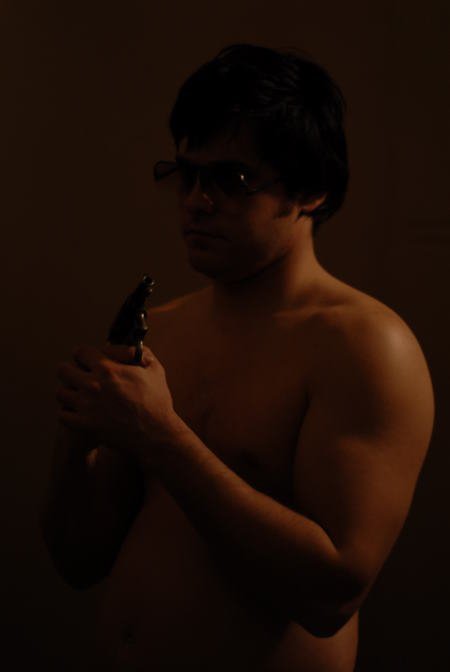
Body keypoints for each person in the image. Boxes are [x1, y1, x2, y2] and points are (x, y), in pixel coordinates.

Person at [42, 43, 435, 671]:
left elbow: (333, 593)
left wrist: (161, 437)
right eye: (187, 174)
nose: (197, 200)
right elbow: (78, 561)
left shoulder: (365, 346)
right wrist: (77, 440)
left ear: (310, 191)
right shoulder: (163, 330)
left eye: (232, 179)